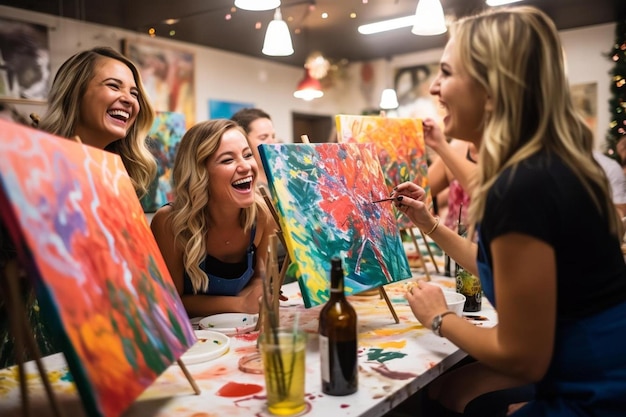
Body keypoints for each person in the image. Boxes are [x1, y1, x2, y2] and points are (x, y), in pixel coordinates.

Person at [392, 6, 626, 416]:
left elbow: (522, 357)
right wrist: (430, 224)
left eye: (446, 72)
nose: (433, 87)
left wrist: (439, 318)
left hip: (596, 395)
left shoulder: (522, 186)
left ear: (492, 91)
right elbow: (503, 267)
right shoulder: (551, 166)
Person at [0, 46, 157, 368]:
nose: (129, 99)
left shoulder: (119, 177)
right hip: (32, 360)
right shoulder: (31, 169)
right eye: (113, 86)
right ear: (75, 92)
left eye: (134, 92)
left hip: (106, 353)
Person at [150, 119, 274, 317]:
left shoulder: (263, 215)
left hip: (241, 332)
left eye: (247, 155)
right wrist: (241, 304)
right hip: (194, 341)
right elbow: (171, 301)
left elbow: (260, 277)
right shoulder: (169, 223)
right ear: (200, 173)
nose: (246, 166)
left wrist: (261, 292)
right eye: (227, 160)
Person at [230, 108, 277, 188]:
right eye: (263, 138)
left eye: (273, 136)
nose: (272, 143)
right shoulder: (245, 186)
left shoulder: (281, 178)